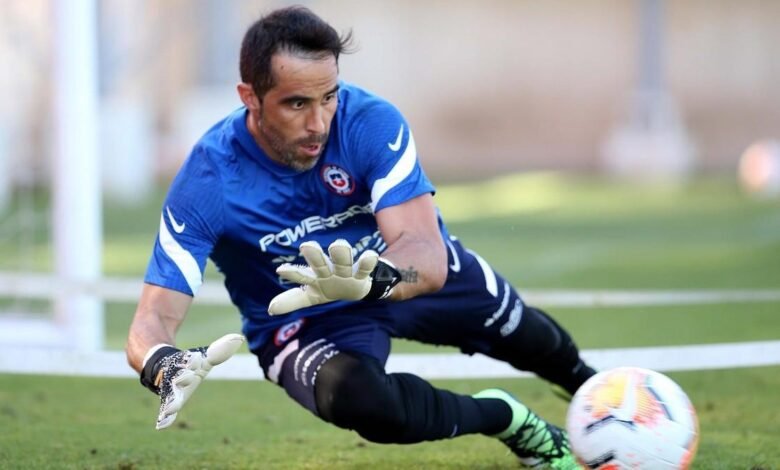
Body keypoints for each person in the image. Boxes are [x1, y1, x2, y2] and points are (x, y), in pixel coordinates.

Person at [126, 6, 596, 469]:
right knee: (367, 406)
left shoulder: (369, 123)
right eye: (296, 104)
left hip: (391, 273)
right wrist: (162, 363)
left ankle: (607, 396)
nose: (319, 123)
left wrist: (370, 282)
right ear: (250, 96)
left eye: (328, 96)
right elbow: (152, 320)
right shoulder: (208, 180)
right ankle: (509, 419)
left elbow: (427, 259)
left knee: (533, 339)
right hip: (308, 323)